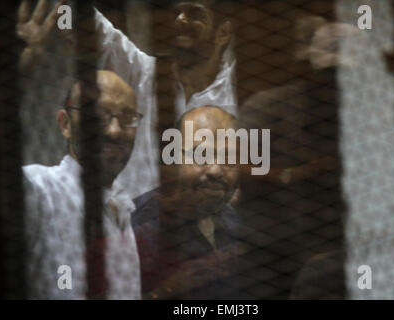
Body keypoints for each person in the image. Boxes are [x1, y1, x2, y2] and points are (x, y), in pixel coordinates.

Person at [17, 0, 237, 199]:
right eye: (177, 12)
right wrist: (62, 24)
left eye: (195, 14)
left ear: (223, 33)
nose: (180, 20)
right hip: (129, 227)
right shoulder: (140, 72)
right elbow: (70, 12)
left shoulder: (239, 93)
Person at [23, 70, 142, 299]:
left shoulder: (123, 207)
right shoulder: (39, 189)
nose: (115, 130)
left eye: (127, 118)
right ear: (65, 124)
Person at [132, 106, 247, 299]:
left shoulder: (233, 221)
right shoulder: (137, 226)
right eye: (201, 155)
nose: (216, 170)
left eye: (229, 158)